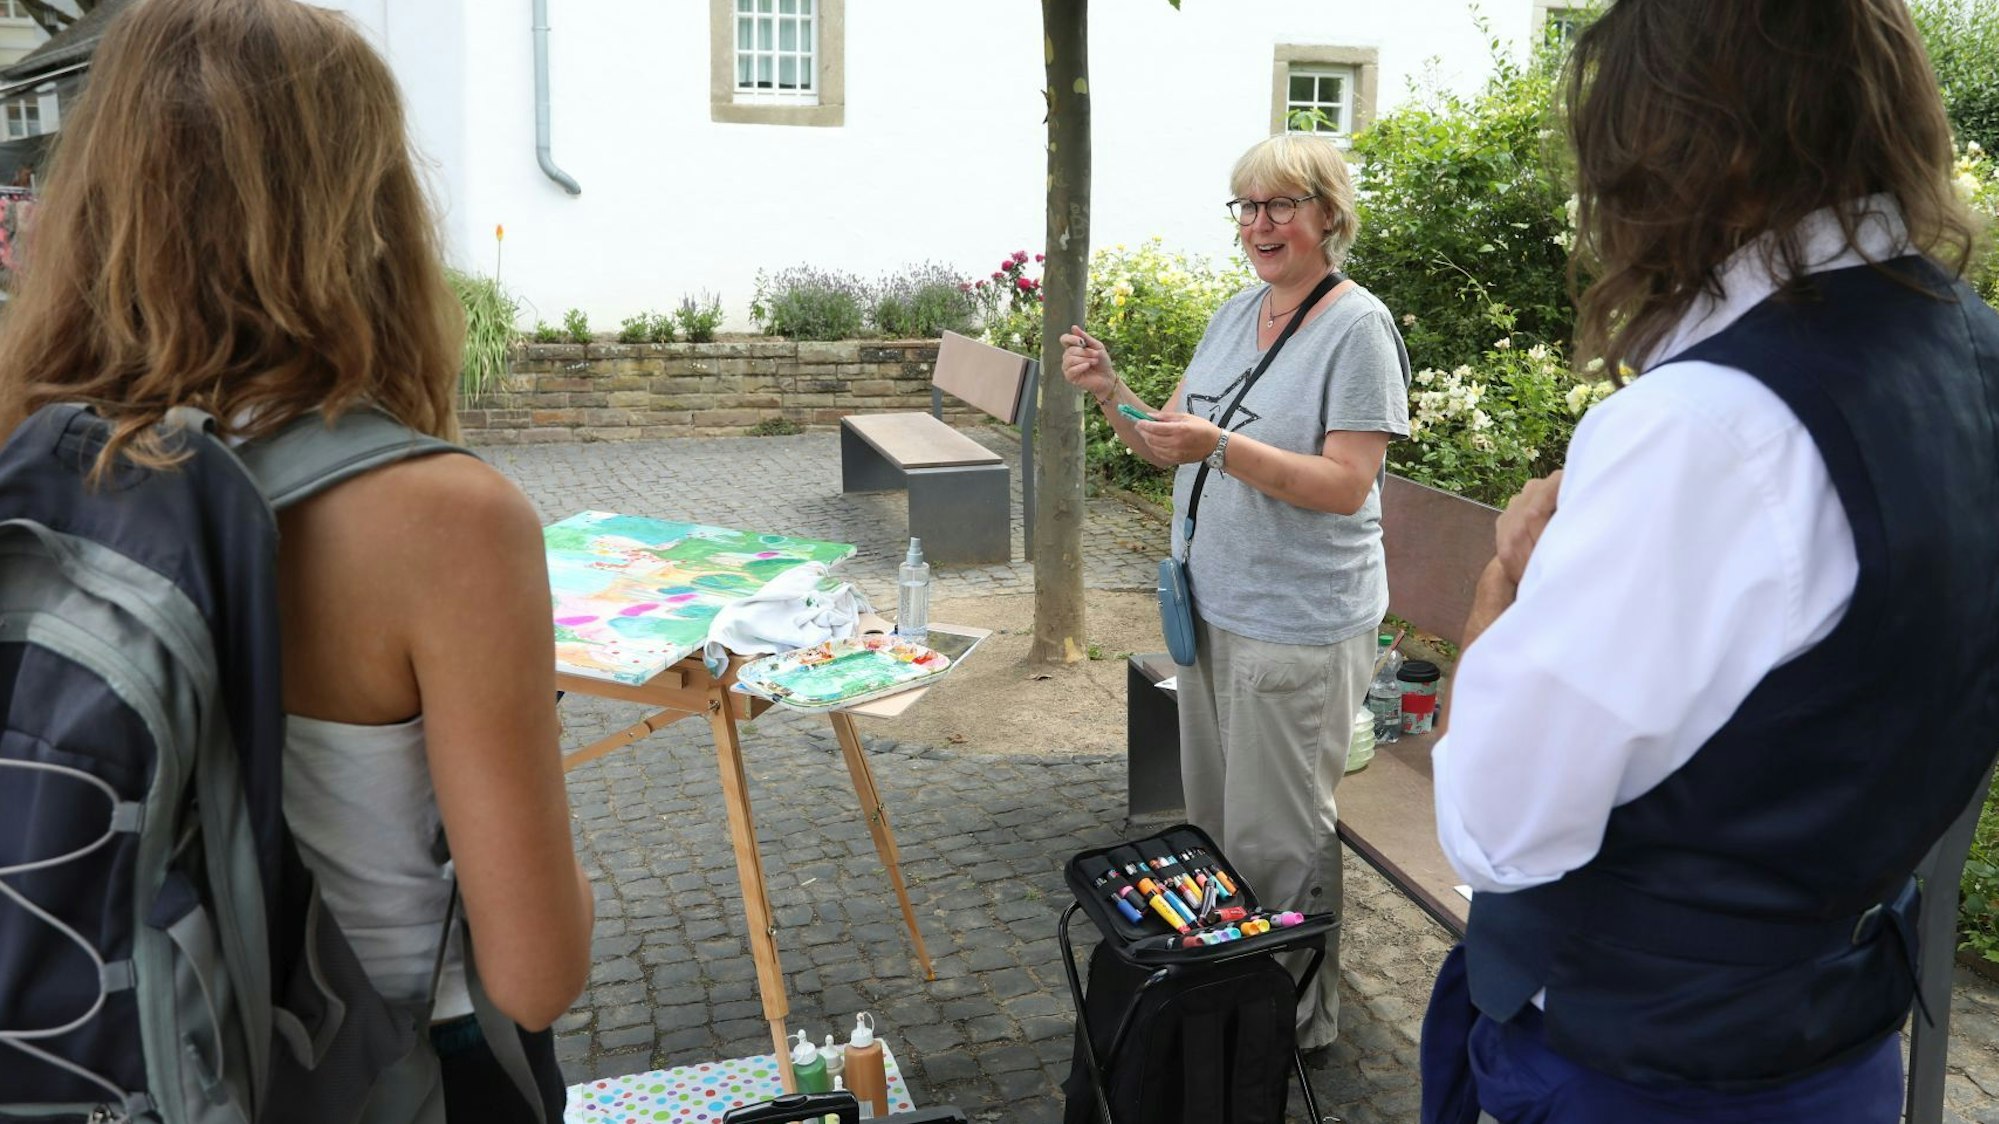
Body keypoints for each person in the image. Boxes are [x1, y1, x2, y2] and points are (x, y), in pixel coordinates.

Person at [0, 0, 594, 1119]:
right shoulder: (445, 520)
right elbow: (535, 969)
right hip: (392, 1071)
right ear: (364, 207)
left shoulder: (24, 466)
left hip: (120, 1067)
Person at [1418, 0, 1999, 1120]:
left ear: (1679, 145)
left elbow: (1497, 825)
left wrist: (1506, 578)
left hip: (1643, 1065)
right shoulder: (1971, 351)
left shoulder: (1712, 424)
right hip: (1828, 1045)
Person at [1059, 132, 1411, 1050]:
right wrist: (1110, 393)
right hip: (1209, 613)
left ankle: (1291, 1030)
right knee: (1215, 829)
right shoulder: (1234, 311)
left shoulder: (1355, 327)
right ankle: (1229, 1002)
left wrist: (1222, 447)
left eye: (1281, 205)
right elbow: (1164, 435)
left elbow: (1344, 486)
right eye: (1247, 207)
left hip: (1295, 624)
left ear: (1328, 215)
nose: (1260, 224)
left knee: (1281, 839)